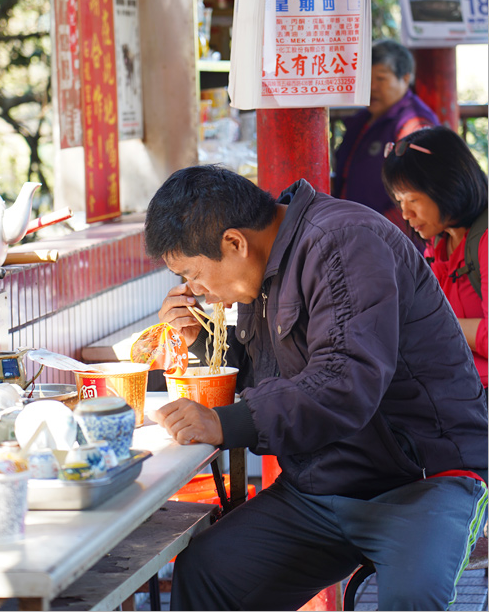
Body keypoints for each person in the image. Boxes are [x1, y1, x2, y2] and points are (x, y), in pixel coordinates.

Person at [145, 164, 488, 612]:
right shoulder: (262, 272)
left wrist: (222, 422)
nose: (196, 291)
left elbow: (345, 381)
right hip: (324, 484)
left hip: (421, 481)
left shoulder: (344, 241)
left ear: (234, 243)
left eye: (191, 274)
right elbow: (272, 376)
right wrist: (203, 342)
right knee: (210, 571)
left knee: (412, 599)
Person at [382, 126, 488, 395]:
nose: (405, 213)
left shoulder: (484, 242)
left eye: (413, 199)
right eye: (399, 200)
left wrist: (441, 322)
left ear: (448, 186)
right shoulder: (440, 242)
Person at [332, 39, 439, 235]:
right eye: (367, 78)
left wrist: (377, 234)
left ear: (405, 79)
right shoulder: (362, 119)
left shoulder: (415, 124)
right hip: (352, 232)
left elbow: (419, 194)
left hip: (383, 240)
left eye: (380, 78)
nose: (371, 87)